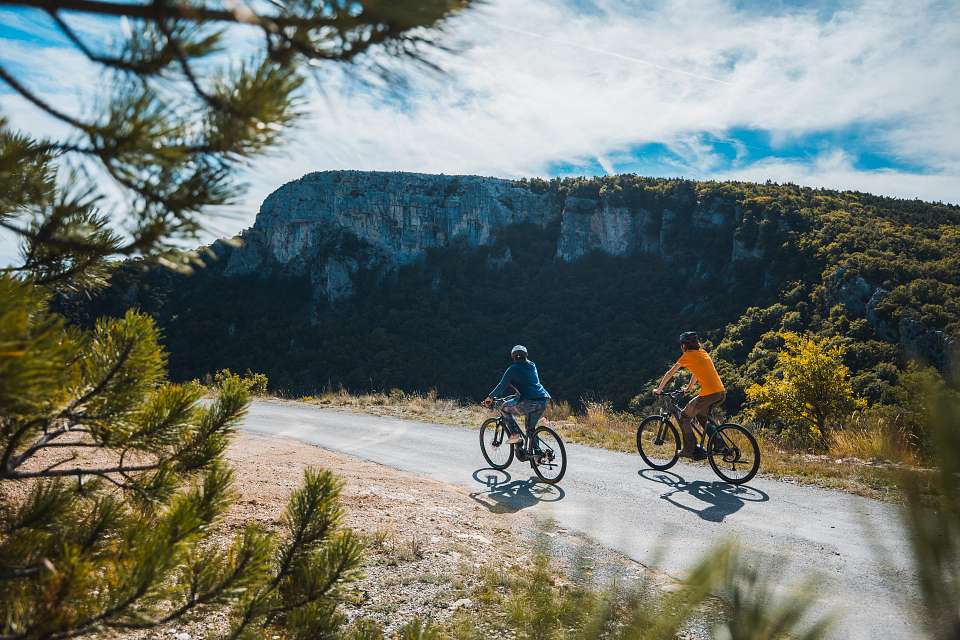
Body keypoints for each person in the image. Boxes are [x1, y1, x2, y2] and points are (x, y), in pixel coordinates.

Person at [653, 331, 726, 460]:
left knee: (684, 416)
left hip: (709, 394)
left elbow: (670, 373)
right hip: (720, 392)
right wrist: (690, 387)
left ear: (684, 346)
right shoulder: (702, 353)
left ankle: (689, 449)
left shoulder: (687, 355)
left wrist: (659, 389)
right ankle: (719, 443)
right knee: (700, 415)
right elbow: (697, 371)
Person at [482, 345, 551, 447]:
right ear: (526, 355)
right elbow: (528, 384)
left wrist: (490, 397)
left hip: (529, 401)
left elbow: (502, 385)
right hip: (543, 400)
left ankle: (515, 435)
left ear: (513, 357)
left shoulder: (512, 369)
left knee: (504, 408)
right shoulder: (532, 365)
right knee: (530, 430)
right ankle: (538, 456)